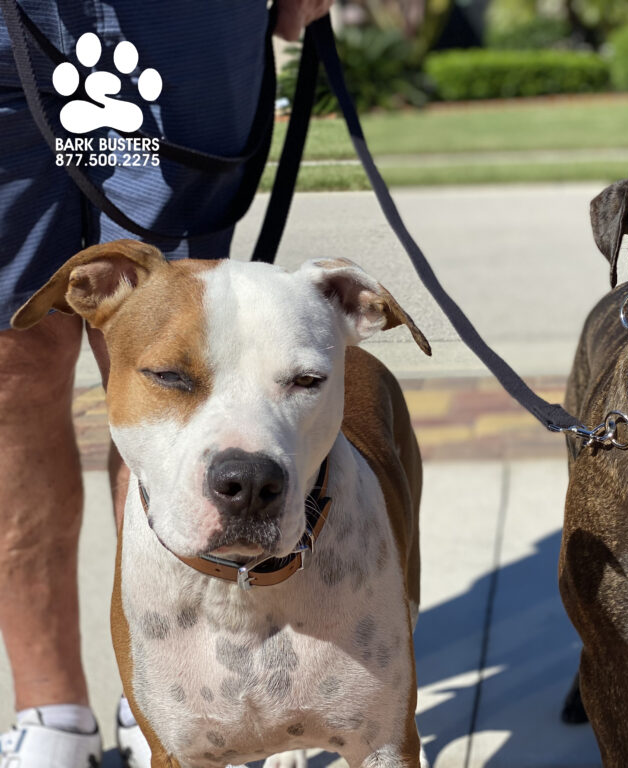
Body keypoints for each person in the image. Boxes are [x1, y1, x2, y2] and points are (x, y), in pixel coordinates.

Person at [0, 2, 332, 766]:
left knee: (177, 355)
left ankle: (162, 695)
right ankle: (51, 715)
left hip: (174, 22)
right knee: (11, 371)